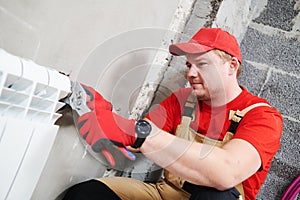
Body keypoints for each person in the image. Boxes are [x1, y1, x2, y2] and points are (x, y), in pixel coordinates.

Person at [62, 28, 282, 200]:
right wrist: (103, 114)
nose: (191, 74)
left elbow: (226, 172)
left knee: (214, 197)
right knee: (86, 194)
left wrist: (140, 135)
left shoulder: (261, 116)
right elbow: (136, 139)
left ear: (231, 66)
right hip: (166, 193)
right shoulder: (183, 100)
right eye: (189, 65)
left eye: (202, 64)